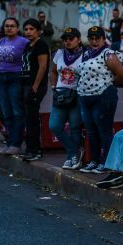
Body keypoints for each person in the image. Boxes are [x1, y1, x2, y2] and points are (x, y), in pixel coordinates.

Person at [76, 26, 123, 173]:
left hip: (103, 97)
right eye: (91, 38)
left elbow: (121, 74)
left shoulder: (108, 54)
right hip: (86, 97)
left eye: (98, 38)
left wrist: (109, 85)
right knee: (91, 132)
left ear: (104, 39)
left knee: (104, 131)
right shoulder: (87, 54)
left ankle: (107, 163)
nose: (94, 41)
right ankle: (94, 160)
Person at [48, 27, 84, 169]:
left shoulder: (85, 55)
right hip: (60, 95)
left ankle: (73, 158)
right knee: (54, 126)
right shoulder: (59, 53)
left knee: (75, 128)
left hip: (77, 96)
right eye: (65, 39)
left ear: (79, 40)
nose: (67, 41)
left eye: (71, 38)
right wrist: (53, 87)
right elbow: (53, 71)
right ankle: (73, 151)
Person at [0, 17, 29, 156]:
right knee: (6, 112)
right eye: (6, 26)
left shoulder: (24, 42)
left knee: (17, 112)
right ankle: (10, 142)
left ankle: (16, 144)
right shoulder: (1, 41)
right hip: (1, 78)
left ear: (17, 28)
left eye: (12, 26)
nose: (9, 28)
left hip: (16, 78)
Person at [19, 19, 51, 161]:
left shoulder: (41, 44)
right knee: (28, 117)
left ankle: (35, 150)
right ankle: (31, 148)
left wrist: (35, 87)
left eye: (31, 29)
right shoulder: (28, 45)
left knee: (32, 118)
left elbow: (43, 67)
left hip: (36, 86)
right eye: (26, 29)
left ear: (38, 31)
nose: (28, 32)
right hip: (26, 84)